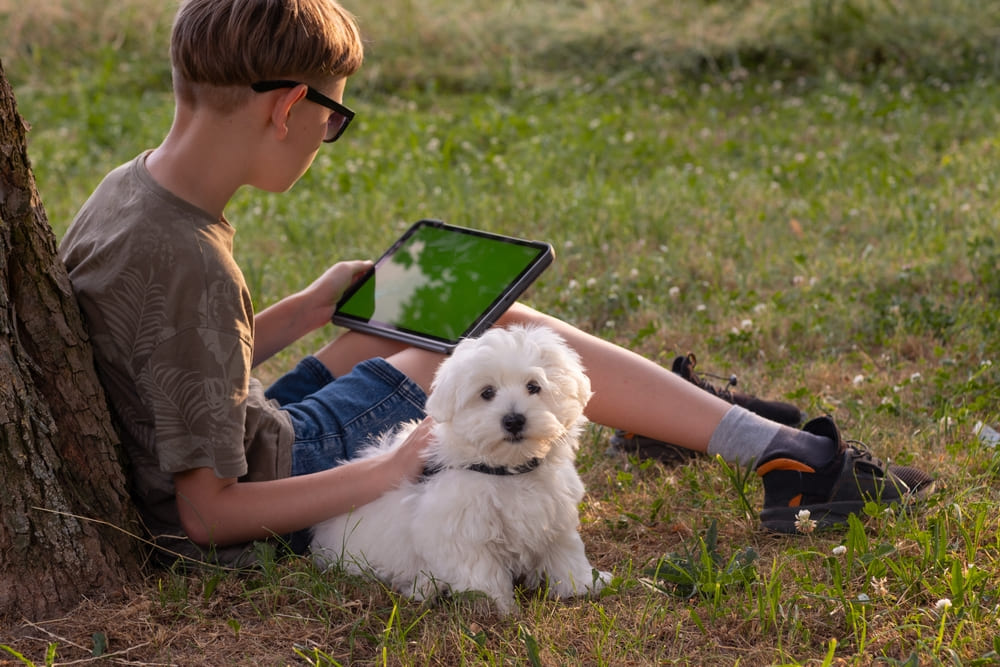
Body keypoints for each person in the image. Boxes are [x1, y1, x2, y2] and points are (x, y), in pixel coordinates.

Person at [58, 0, 932, 565]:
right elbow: (208, 513)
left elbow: (178, 363)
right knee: (488, 331)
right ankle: (784, 452)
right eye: (334, 116)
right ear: (290, 107)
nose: (326, 134)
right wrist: (394, 467)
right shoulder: (198, 268)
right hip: (281, 475)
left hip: (255, 427)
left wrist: (314, 308)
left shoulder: (133, 192)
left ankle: (684, 418)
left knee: (426, 317)